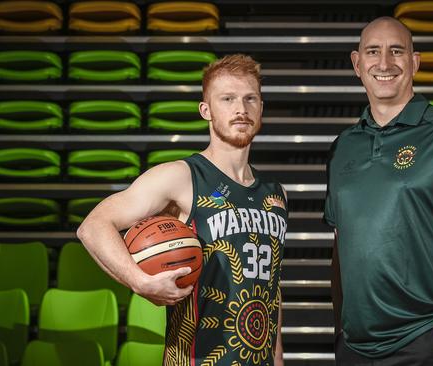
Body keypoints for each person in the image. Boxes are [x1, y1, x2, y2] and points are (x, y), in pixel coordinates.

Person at [77, 54, 287, 366]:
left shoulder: (276, 196)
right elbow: (93, 226)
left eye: (250, 99)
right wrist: (139, 281)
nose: (241, 109)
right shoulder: (181, 176)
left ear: (261, 108)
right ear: (206, 110)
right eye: (227, 99)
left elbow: (271, 290)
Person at [324, 17, 433, 365]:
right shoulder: (343, 146)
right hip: (356, 348)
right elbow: (341, 245)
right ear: (357, 64)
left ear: (415, 62)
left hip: (425, 343)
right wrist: (341, 331)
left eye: (397, 51)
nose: (385, 63)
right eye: (373, 52)